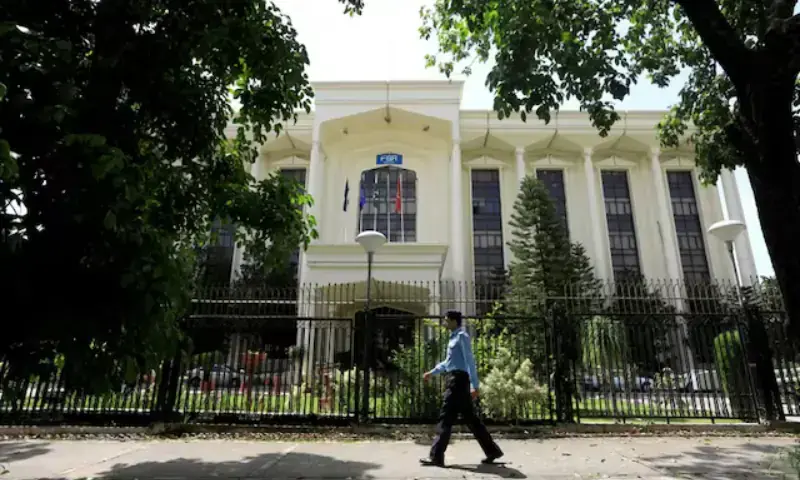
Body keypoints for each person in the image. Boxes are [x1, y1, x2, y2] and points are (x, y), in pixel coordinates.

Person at [419, 310, 503, 467]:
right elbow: (448, 362)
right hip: (455, 379)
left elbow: (469, 360)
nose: (444, 323)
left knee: (446, 417)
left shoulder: (462, 337)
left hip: (458, 382)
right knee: (471, 419)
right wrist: (432, 372)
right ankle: (492, 451)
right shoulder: (452, 338)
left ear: (454, 321)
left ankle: (436, 456)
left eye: (446, 320)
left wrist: (474, 385)